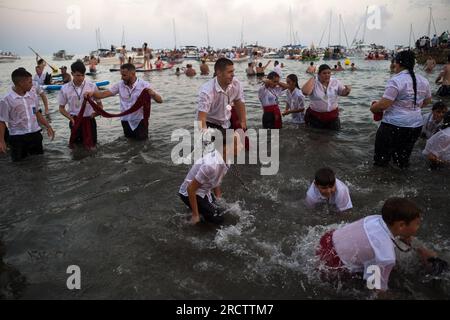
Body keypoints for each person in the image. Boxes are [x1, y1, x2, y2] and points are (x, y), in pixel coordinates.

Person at [317, 197, 445, 291]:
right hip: (333, 266)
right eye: (417, 223)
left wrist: (418, 247)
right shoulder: (385, 257)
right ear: (401, 225)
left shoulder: (375, 218)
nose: (418, 227)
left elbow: (393, 235)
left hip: (327, 240)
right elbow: (373, 287)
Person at [371, 50, 432, 168]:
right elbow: (427, 101)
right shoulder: (424, 80)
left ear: (397, 63)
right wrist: (412, 108)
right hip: (415, 126)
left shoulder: (396, 80)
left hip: (393, 125)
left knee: (381, 161)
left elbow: (383, 105)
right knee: (402, 160)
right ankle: (402, 183)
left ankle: (380, 184)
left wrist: (373, 108)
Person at [179, 130, 243, 225]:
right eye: (238, 143)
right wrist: (195, 216)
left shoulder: (227, 160)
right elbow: (190, 189)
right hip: (189, 193)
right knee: (219, 220)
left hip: (204, 191)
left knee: (221, 210)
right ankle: (192, 218)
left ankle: (197, 210)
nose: (242, 146)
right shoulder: (211, 165)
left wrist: (218, 199)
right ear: (227, 148)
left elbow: (216, 180)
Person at [85, 63, 163, 141]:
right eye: (121, 75)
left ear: (133, 73)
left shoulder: (144, 85)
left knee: (142, 144)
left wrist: (153, 94)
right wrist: (92, 93)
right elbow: (102, 94)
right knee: (129, 143)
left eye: (124, 75)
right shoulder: (119, 85)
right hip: (125, 120)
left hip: (140, 121)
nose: (122, 78)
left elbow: (160, 100)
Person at [0, 68, 55, 161]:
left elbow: (37, 113)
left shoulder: (33, 95)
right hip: (17, 137)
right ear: (21, 83)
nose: (32, 84)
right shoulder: (6, 100)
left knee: (40, 162)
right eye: (30, 82)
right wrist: (1, 141)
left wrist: (48, 126)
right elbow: (2, 121)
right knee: (19, 165)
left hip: (35, 134)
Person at [58, 60, 103, 149]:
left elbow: (100, 106)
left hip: (89, 120)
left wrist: (95, 114)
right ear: (72, 73)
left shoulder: (92, 86)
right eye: (78, 75)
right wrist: (70, 118)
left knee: (92, 147)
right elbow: (61, 108)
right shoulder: (65, 88)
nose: (81, 78)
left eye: (83, 75)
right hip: (75, 121)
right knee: (76, 148)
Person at [197, 58, 247, 132]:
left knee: (239, 140)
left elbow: (238, 102)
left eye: (233, 71)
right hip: (210, 124)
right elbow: (201, 118)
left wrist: (242, 121)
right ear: (219, 73)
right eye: (230, 72)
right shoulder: (206, 91)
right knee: (236, 140)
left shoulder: (236, 84)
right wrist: (205, 136)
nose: (233, 75)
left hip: (226, 123)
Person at [302, 64, 351, 130]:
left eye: (329, 73)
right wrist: (313, 77)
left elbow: (343, 93)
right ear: (319, 74)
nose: (327, 75)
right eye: (324, 73)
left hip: (332, 116)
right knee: (315, 137)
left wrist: (347, 90)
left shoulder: (335, 82)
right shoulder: (314, 82)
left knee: (334, 137)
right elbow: (305, 92)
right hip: (315, 117)